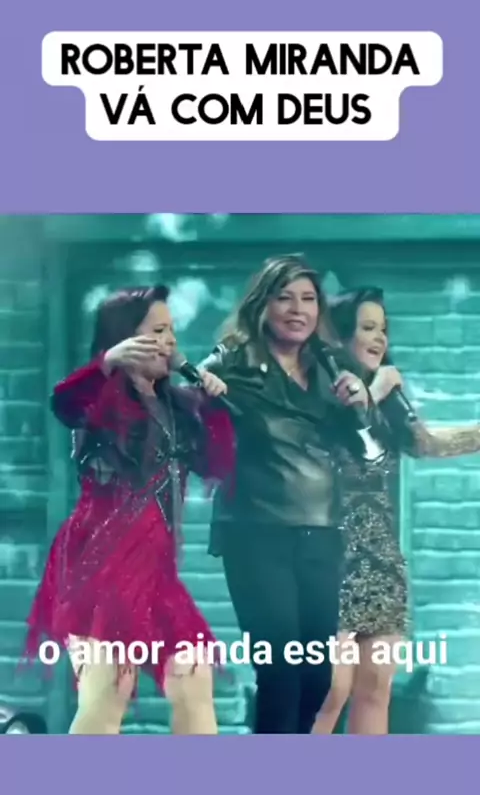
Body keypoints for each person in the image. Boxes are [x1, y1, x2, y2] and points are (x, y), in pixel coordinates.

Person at [25, 285, 235, 735]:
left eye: (172, 331)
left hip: (156, 572)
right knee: (107, 693)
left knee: (192, 678)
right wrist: (108, 363)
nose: (169, 342)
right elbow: (64, 403)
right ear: (125, 338)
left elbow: (215, 463)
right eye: (157, 331)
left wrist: (214, 404)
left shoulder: (178, 405)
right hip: (99, 566)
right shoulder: (100, 399)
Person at [199, 255, 381, 734]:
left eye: (308, 299)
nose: (298, 310)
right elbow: (189, 416)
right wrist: (205, 399)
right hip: (256, 534)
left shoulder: (333, 367)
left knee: (317, 678)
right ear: (262, 304)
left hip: (322, 533)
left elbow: (369, 453)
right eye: (285, 298)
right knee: (279, 673)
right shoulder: (231, 361)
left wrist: (362, 404)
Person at [311, 286, 480, 736]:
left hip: (380, 560)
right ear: (340, 337)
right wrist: (374, 388)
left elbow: (427, 443)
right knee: (328, 690)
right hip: (326, 559)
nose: (380, 338)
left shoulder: (387, 403)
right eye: (368, 328)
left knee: (375, 691)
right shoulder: (318, 393)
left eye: (383, 329)